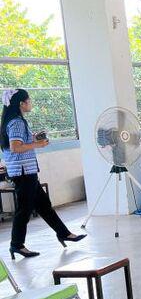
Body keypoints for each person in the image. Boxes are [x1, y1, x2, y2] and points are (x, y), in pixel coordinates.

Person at [0, 89, 86, 258]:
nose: (30, 103)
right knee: (24, 210)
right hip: (23, 172)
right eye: (29, 100)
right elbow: (15, 147)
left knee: (44, 206)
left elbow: (18, 143)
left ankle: (64, 233)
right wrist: (38, 145)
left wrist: (32, 139)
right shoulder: (16, 122)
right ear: (21, 104)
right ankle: (16, 245)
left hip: (25, 171)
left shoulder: (13, 121)